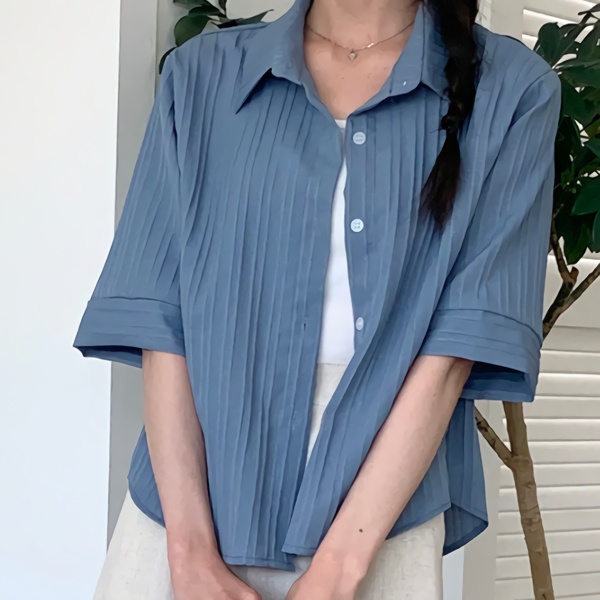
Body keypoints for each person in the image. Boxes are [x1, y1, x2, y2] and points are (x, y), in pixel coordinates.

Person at [73, 0, 562, 598]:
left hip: (379, 509)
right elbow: (161, 322)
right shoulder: (200, 75)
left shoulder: (514, 90)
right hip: (187, 498)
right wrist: (189, 552)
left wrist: (339, 569)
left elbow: (455, 349)